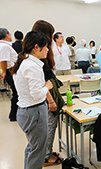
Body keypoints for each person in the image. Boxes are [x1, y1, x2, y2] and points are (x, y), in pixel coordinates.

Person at [11, 31, 53, 169]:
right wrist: (47, 87)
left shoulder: (25, 61)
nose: (47, 49)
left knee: (33, 148)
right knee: (37, 151)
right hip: (34, 112)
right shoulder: (32, 66)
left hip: (27, 110)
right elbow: (37, 95)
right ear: (36, 47)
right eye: (46, 46)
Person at [32, 19, 65, 167]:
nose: (52, 38)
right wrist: (51, 100)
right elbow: (41, 81)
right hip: (47, 94)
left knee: (51, 124)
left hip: (50, 90)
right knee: (50, 125)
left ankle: (48, 152)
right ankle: (46, 156)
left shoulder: (43, 50)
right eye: (51, 34)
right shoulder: (39, 53)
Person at [0, 28, 18, 121]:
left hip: (10, 71)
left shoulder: (5, 45)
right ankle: (13, 115)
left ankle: (15, 114)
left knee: (16, 93)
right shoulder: (4, 46)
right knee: (16, 93)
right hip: (10, 71)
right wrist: (5, 72)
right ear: (7, 35)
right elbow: (3, 60)